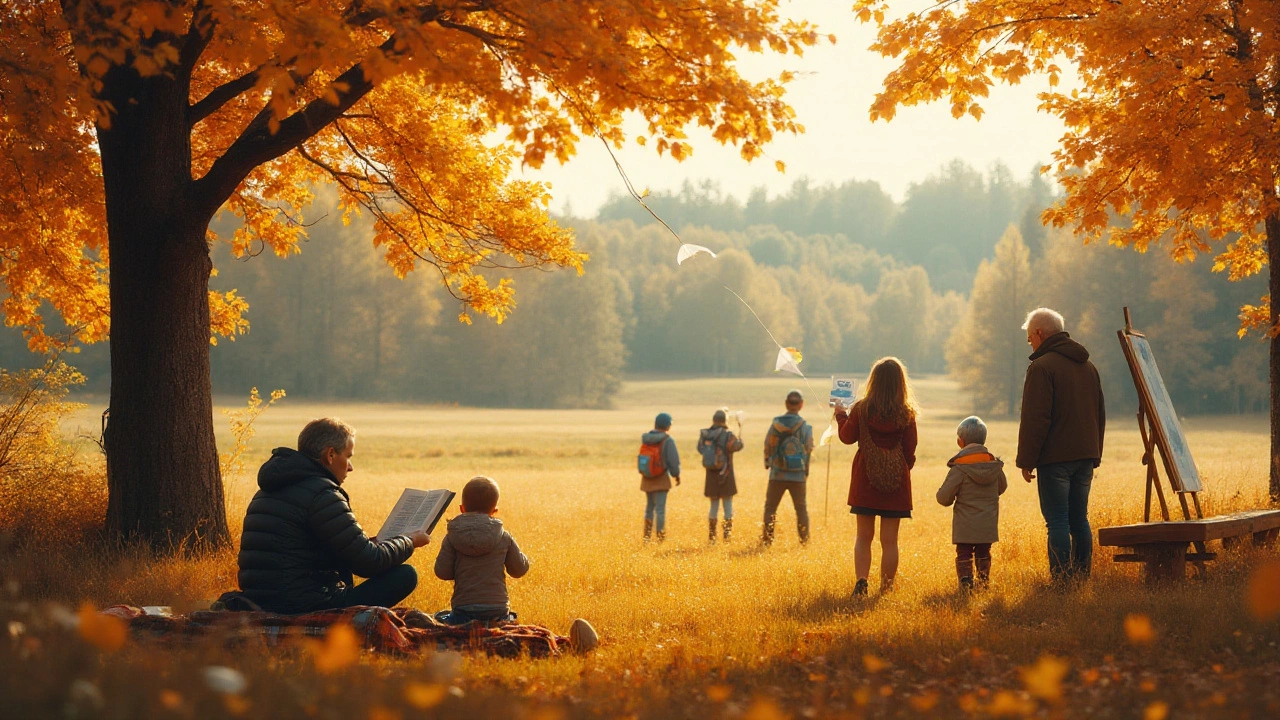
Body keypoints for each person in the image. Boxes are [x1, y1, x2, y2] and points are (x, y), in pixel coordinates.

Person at [237, 418, 430, 614]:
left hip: (260, 599)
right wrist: (409, 541)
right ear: (330, 455)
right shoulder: (322, 494)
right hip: (308, 604)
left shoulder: (267, 490)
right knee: (405, 575)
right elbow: (369, 563)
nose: (350, 467)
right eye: (348, 456)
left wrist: (371, 543)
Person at [1017, 308, 1106, 582]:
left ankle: (1062, 580)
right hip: (1085, 456)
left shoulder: (1041, 368)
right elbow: (1099, 413)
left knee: (1057, 521)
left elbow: (1036, 419)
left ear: (1040, 333)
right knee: (1080, 519)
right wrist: (1095, 453)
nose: (1030, 342)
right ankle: (1081, 576)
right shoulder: (1088, 367)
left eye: (1030, 336)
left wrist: (1026, 460)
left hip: (1055, 459)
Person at [835, 357, 918, 596]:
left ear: (874, 381)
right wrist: (896, 470)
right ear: (901, 383)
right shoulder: (907, 413)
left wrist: (841, 415)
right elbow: (910, 450)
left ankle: (861, 581)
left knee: (863, 536)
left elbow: (847, 437)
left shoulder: (862, 408)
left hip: (865, 481)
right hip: (896, 485)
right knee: (889, 540)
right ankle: (887, 588)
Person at [433, 476, 530, 625]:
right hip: (497, 610)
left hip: (463, 610)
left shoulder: (451, 537)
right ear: (494, 511)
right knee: (509, 618)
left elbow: (442, 572)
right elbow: (519, 570)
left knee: (441, 616)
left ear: (462, 508)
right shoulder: (503, 536)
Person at [936, 416, 1008, 591]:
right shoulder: (994, 466)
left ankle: (966, 583)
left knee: (964, 553)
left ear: (960, 442)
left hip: (965, 525)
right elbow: (1002, 487)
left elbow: (943, 498)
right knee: (984, 552)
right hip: (988, 522)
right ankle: (983, 581)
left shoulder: (959, 469)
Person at [762, 390, 814, 546]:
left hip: (777, 474)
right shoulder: (805, 426)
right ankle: (804, 541)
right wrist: (806, 470)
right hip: (798, 475)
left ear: (786, 404)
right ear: (801, 405)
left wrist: (768, 462)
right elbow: (809, 448)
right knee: (801, 509)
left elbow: (768, 445)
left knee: (770, 508)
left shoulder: (776, 424)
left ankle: (767, 540)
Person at [699, 409, 744, 543]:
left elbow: (700, 449)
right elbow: (737, 446)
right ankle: (727, 537)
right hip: (726, 473)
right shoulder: (728, 434)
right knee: (728, 505)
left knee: (713, 506)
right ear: (725, 421)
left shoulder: (705, 434)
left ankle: (712, 537)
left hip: (711, 474)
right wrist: (740, 433)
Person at [639, 412, 681, 542]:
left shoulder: (646, 438)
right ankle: (660, 538)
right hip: (661, 477)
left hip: (647, 477)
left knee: (649, 508)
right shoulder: (667, 440)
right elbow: (673, 461)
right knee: (660, 510)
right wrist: (676, 475)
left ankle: (646, 537)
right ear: (667, 425)